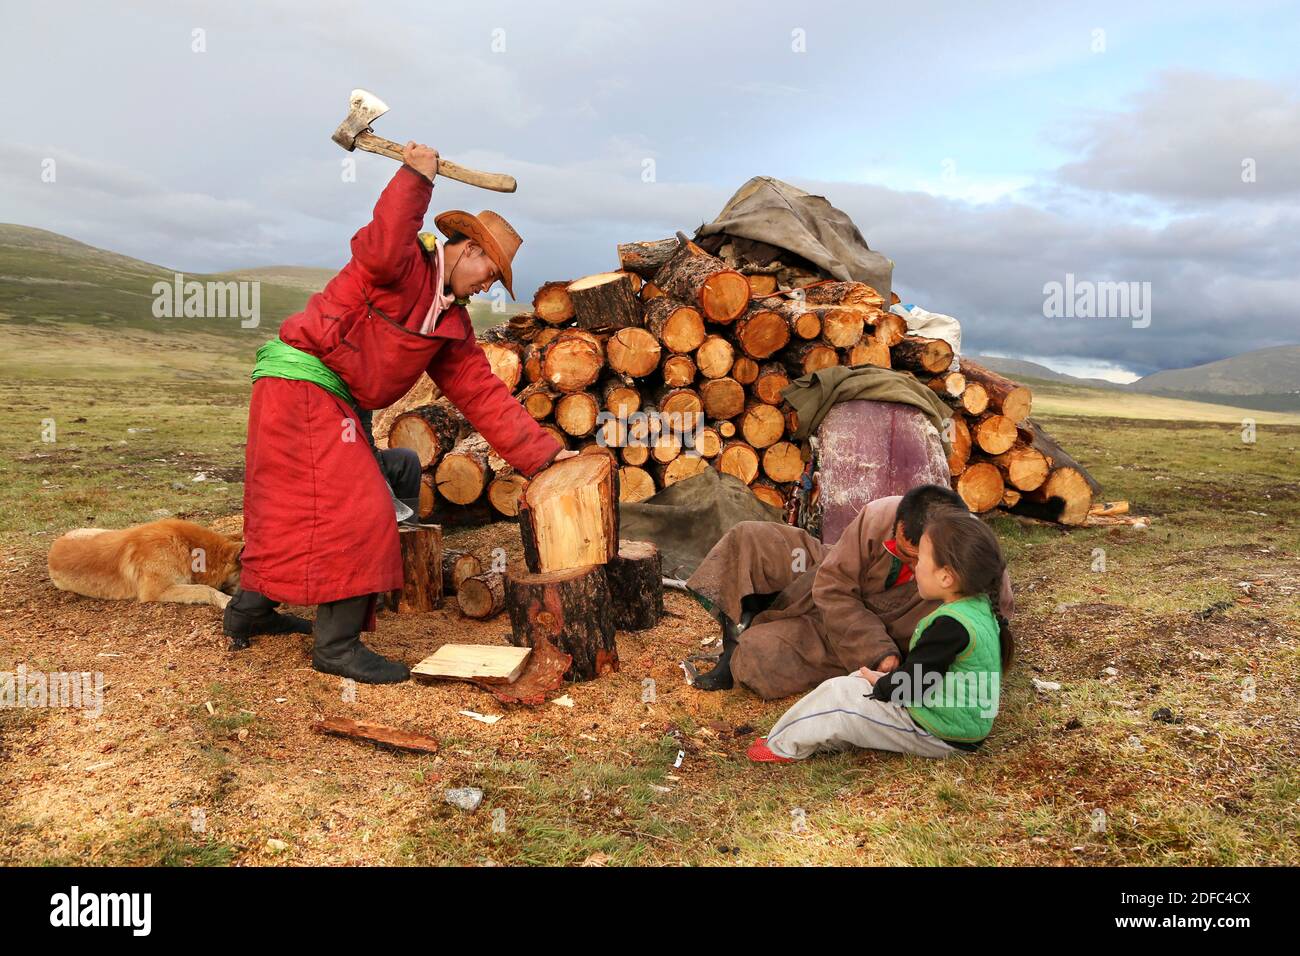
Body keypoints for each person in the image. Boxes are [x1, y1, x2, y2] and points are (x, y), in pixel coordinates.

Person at [223, 142, 577, 683]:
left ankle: (248, 611)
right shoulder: (402, 262)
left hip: (337, 400)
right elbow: (382, 242)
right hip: (300, 384)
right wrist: (415, 177)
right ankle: (336, 648)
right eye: (489, 270)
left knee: (293, 505)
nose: (488, 285)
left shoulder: (450, 325)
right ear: (464, 248)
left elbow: (483, 396)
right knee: (362, 508)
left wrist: (545, 457)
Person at [686, 483, 1013, 698]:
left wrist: (880, 653)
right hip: (831, 578)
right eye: (901, 552)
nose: (913, 568)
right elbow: (833, 586)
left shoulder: (975, 557)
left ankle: (751, 637)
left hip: (859, 636)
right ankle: (737, 632)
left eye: (919, 561)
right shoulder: (881, 515)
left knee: (758, 656)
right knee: (749, 539)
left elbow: (978, 634)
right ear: (899, 521)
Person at [748, 507, 1013, 762]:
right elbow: (928, 674)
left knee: (839, 694)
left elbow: (911, 685)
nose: (915, 567)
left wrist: (882, 686)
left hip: (938, 731)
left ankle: (781, 746)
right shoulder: (979, 608)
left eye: (921, 559)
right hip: (962, 724)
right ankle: (809, 735)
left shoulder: (949, 625)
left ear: (946, 577)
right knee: (855, 683)